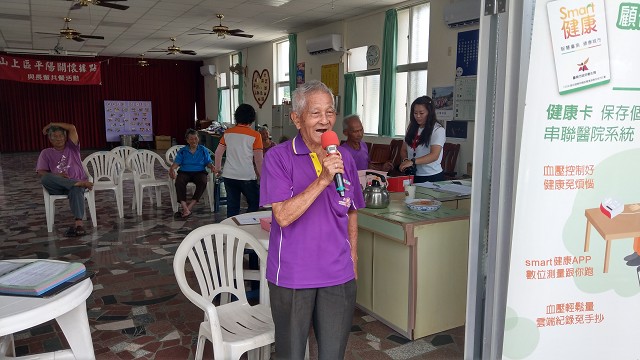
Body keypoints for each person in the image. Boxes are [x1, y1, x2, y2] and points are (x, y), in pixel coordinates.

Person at [260, 80, 365, 360]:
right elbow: (282, 216)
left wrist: (353, 259)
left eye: (330, 112)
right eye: (315, 113)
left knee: (333, 354)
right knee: (291, 354)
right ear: (296, 118)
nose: (325, 120)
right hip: (293, 275)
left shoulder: (344, 158)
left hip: (338, 274)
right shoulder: (278, 157)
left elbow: (352, 209)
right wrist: (323, 180)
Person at [36, 122, 93, 237]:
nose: (58, 139)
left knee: (75, 188)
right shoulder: (46, 153)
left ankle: (79, 224)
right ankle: (76, 183)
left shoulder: (72, 147)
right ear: (50, 140)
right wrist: (57, 176)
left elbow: (72, 127)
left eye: (61, 136)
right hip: (58, 186)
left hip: (75, 186)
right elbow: (41, 172)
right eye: (55, 137)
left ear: (65, 137)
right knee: (45, 178)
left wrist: (50, 124)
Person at [214, 104, 263, 217]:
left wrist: (217, 169)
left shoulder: (227, 133)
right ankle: (246, 225)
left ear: (236, 117)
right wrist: (263, 176)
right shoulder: (256, 135)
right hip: (247, 176)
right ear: (252, 118)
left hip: (229, 175)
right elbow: (259, 160)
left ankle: (232, 231)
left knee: (232, 207)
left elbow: (218, 153)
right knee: (255, 203)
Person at [169, 129, 215, 219]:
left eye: (195, 138)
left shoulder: (203, 150)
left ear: (198, 139)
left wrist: (212, 166)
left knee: (202, 181)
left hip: (199, 172)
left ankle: (188, 207)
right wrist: (172, 169)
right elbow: (176, 163)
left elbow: (208, 162)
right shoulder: (182, 151)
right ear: (187, 140)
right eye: (191, 139)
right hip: (185, 171)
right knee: (179, 182)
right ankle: (184, 206)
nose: (193, 141)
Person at [398, 95, 446, 183]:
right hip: (413, 175)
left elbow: (434, 155)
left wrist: (412, 161)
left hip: (431, 176)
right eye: (415, 113)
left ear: (429, 113)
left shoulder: (438, 130)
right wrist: (405, 160)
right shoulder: (411, 128)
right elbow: (403, 150)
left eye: (421, 113)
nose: (418, 116)